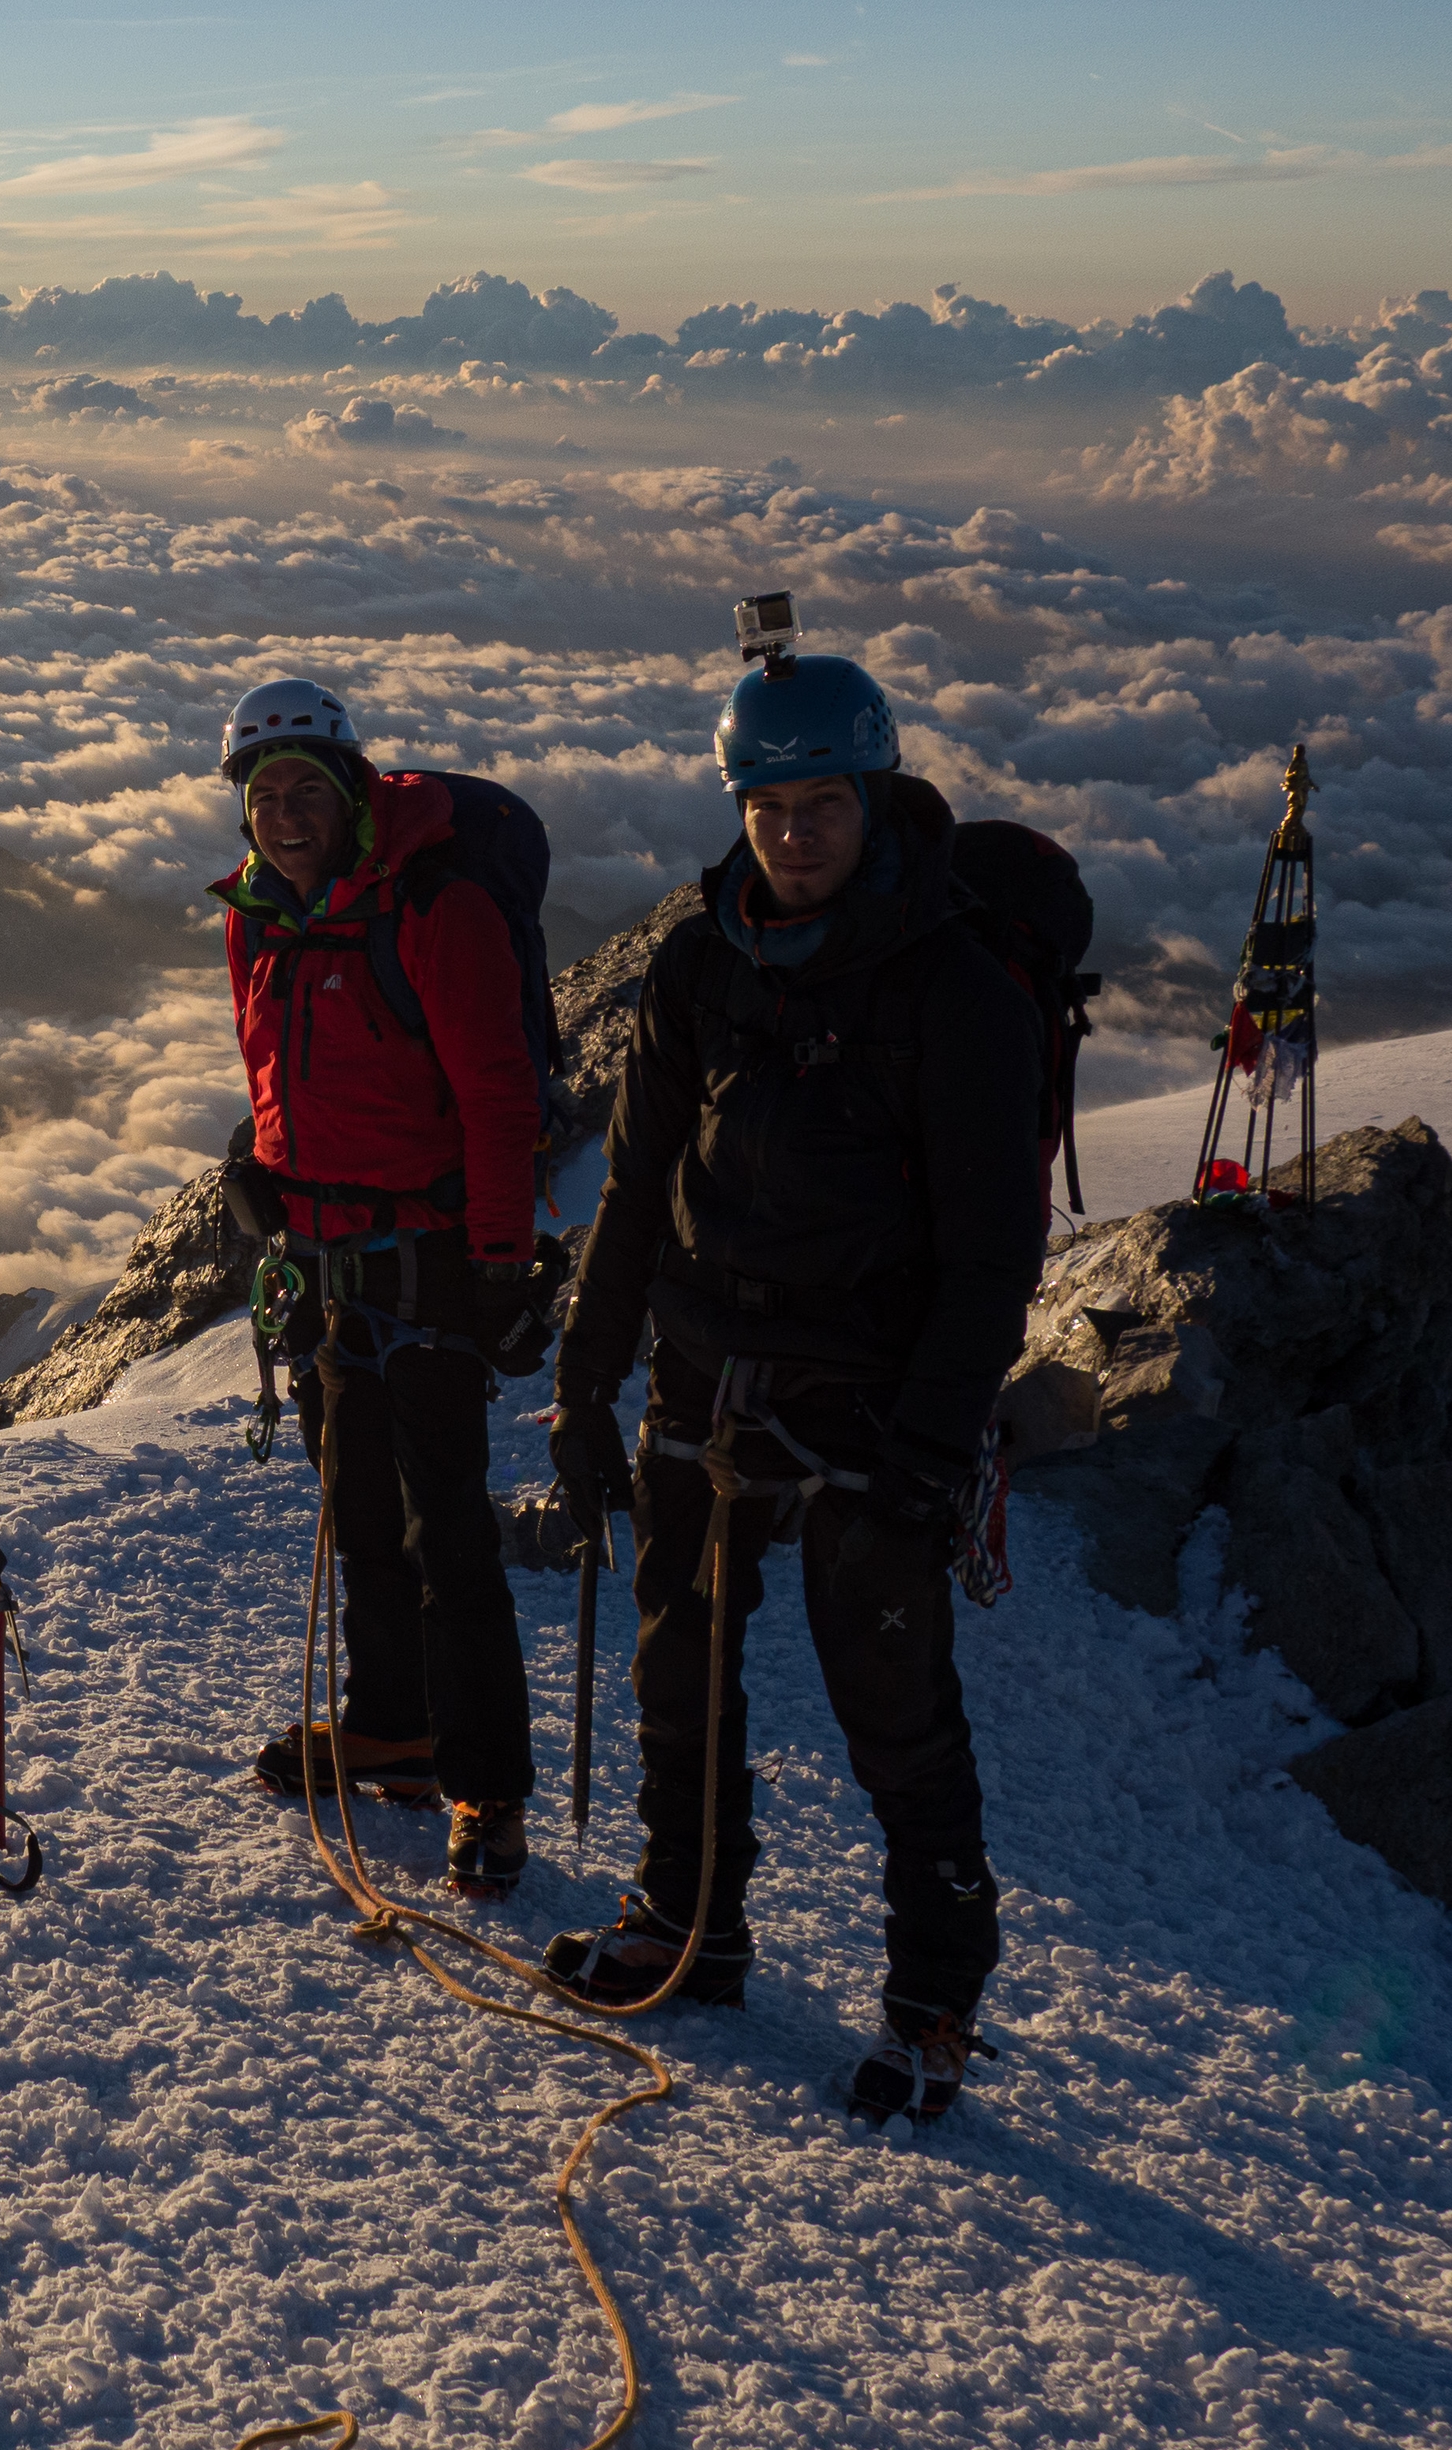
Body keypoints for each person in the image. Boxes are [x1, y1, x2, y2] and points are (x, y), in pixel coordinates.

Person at [544, 648, 1046, 2121]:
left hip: (870, 1393)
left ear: (873, 799)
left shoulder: (953, 988)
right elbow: (637, 1185)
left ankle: (932, 2005)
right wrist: (584, 1386)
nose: (793, 834)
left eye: (822, 804)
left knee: (894, 1708)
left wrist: (936, 1440)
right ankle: (688, 1927)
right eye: (768, 804)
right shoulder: (701, 961)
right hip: (703, 1367)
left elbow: (991, 1251)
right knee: (680, 1674)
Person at [213, 677, 554, 1899]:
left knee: (448, 1529)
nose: (287, 811)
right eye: (266, 795)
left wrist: (503, 1267)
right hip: (321, 1262)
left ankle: (488, 1786)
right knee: (360, 1508)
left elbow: (501, 1098)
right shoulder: (259, 915)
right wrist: (270, 1190)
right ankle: (393, 1725)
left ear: (353, 787)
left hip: (429, 1259)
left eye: (309, 786)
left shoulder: (435, 908)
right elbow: (280, 1076)